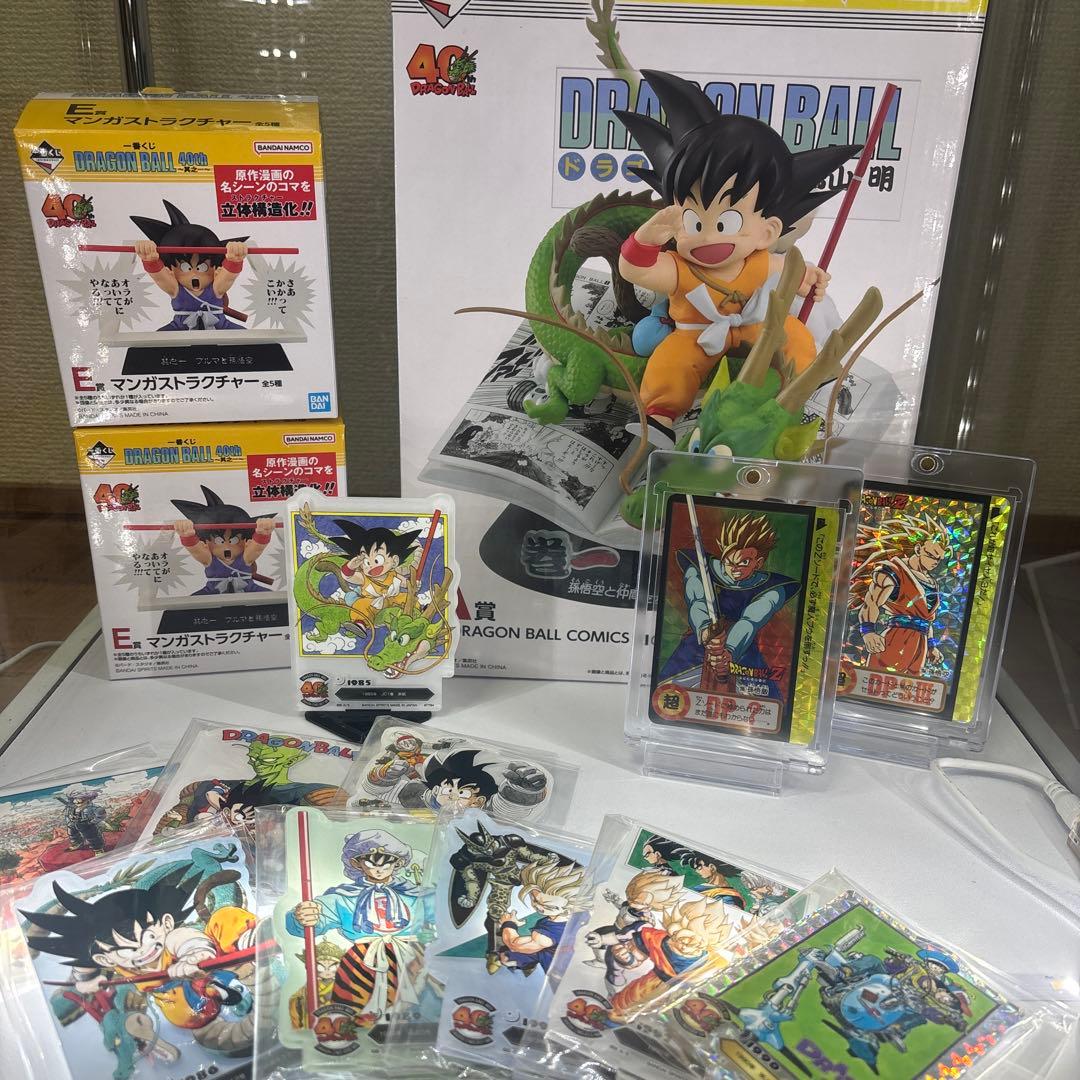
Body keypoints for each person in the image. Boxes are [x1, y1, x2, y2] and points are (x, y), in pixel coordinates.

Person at [615, 70, 860, 445]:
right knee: (671, 362)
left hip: (755, 325)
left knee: (795, 337)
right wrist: (645, 240)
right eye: (694, 221)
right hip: (696, 334)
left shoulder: (761, 261)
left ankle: (793, 394)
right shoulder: (682, 269)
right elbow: (637, 269)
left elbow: (791, 273)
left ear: (767, 231)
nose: (707, 236)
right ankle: (660, 417)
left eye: (726, 222)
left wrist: (811, 279)